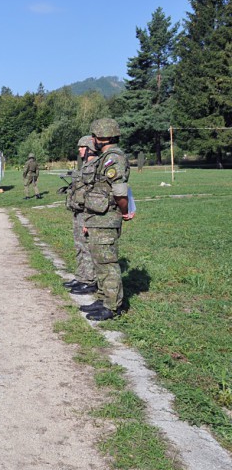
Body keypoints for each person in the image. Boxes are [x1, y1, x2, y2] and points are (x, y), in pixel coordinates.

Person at [80, 118, 134, 321]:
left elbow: (120, 192)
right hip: (97, 217)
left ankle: (112, 306)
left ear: (103, 137)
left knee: (107, 263)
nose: (92, 139)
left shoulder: (114, 158)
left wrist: (124, 211)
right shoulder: (105, 158)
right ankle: (103, 297)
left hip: (107, 217)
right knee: (99, 261)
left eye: (95, 136)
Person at [63, 136, 98, 296]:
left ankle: (89, 280)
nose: (79, 150)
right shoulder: (85, 165)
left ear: (90, 147)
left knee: (86, 246)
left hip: (86, 212)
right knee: (79, 245)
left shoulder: (95, 165)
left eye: (82, 147)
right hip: (78, 211)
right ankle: (81, 276)